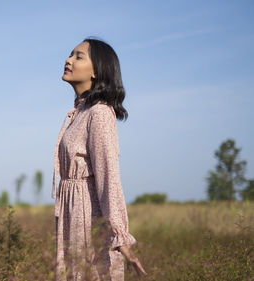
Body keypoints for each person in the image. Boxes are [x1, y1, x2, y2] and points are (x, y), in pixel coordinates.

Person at [52, 38, 147, 280]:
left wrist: (120, 237)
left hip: (88, 216)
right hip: (71, 212)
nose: (68, 60)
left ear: (96, 71)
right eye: (70, 54)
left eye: (78, 56)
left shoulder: (100, 113)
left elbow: (109, 178)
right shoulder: (80, 113)